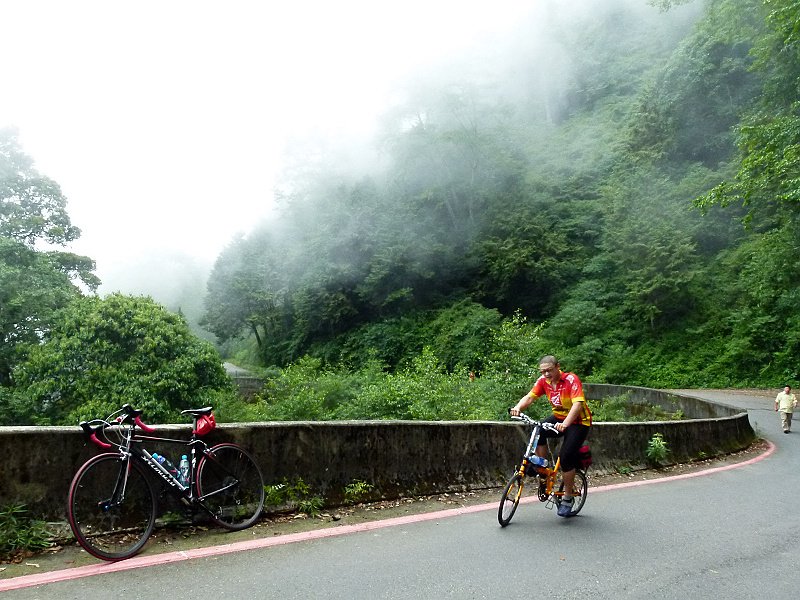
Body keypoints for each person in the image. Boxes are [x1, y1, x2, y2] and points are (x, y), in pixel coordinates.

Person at [510, 355, 592, 517]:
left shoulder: (570, 379)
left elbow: (578, 404)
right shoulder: (543, 381)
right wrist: (518, 407)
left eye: (549, 370)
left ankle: (568, 497)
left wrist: (566, 423)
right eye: (543, 371)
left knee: (566, 457)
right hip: (559, 418)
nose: (546, 374)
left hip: (578, 422)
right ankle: (543, 470)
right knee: (538, 430)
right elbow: (530, 397)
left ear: (557, 367)